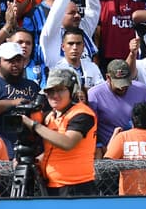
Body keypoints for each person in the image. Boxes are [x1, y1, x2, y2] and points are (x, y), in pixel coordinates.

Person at [20, 68, 97, 196]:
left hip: (77, 188)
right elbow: (52, 151)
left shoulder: (82, 114)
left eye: (60, 90)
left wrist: (34, 125)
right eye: (50, 91)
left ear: (72, 91)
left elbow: (67, 143)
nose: (55, 95)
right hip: (52, 186)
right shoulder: (51, 116)